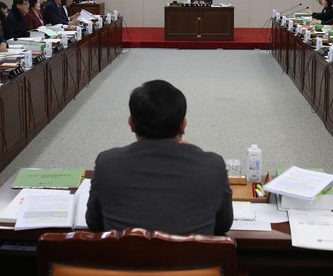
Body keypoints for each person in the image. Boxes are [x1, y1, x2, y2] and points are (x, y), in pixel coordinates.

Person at [86, 80, 233, 235]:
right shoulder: (212, 167)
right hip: (191, 252)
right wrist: (197, 153)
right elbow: (223, 225)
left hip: (126, 252)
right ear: (183, 125)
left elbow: (94, 223)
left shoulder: (107, 163)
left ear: (131, 124)